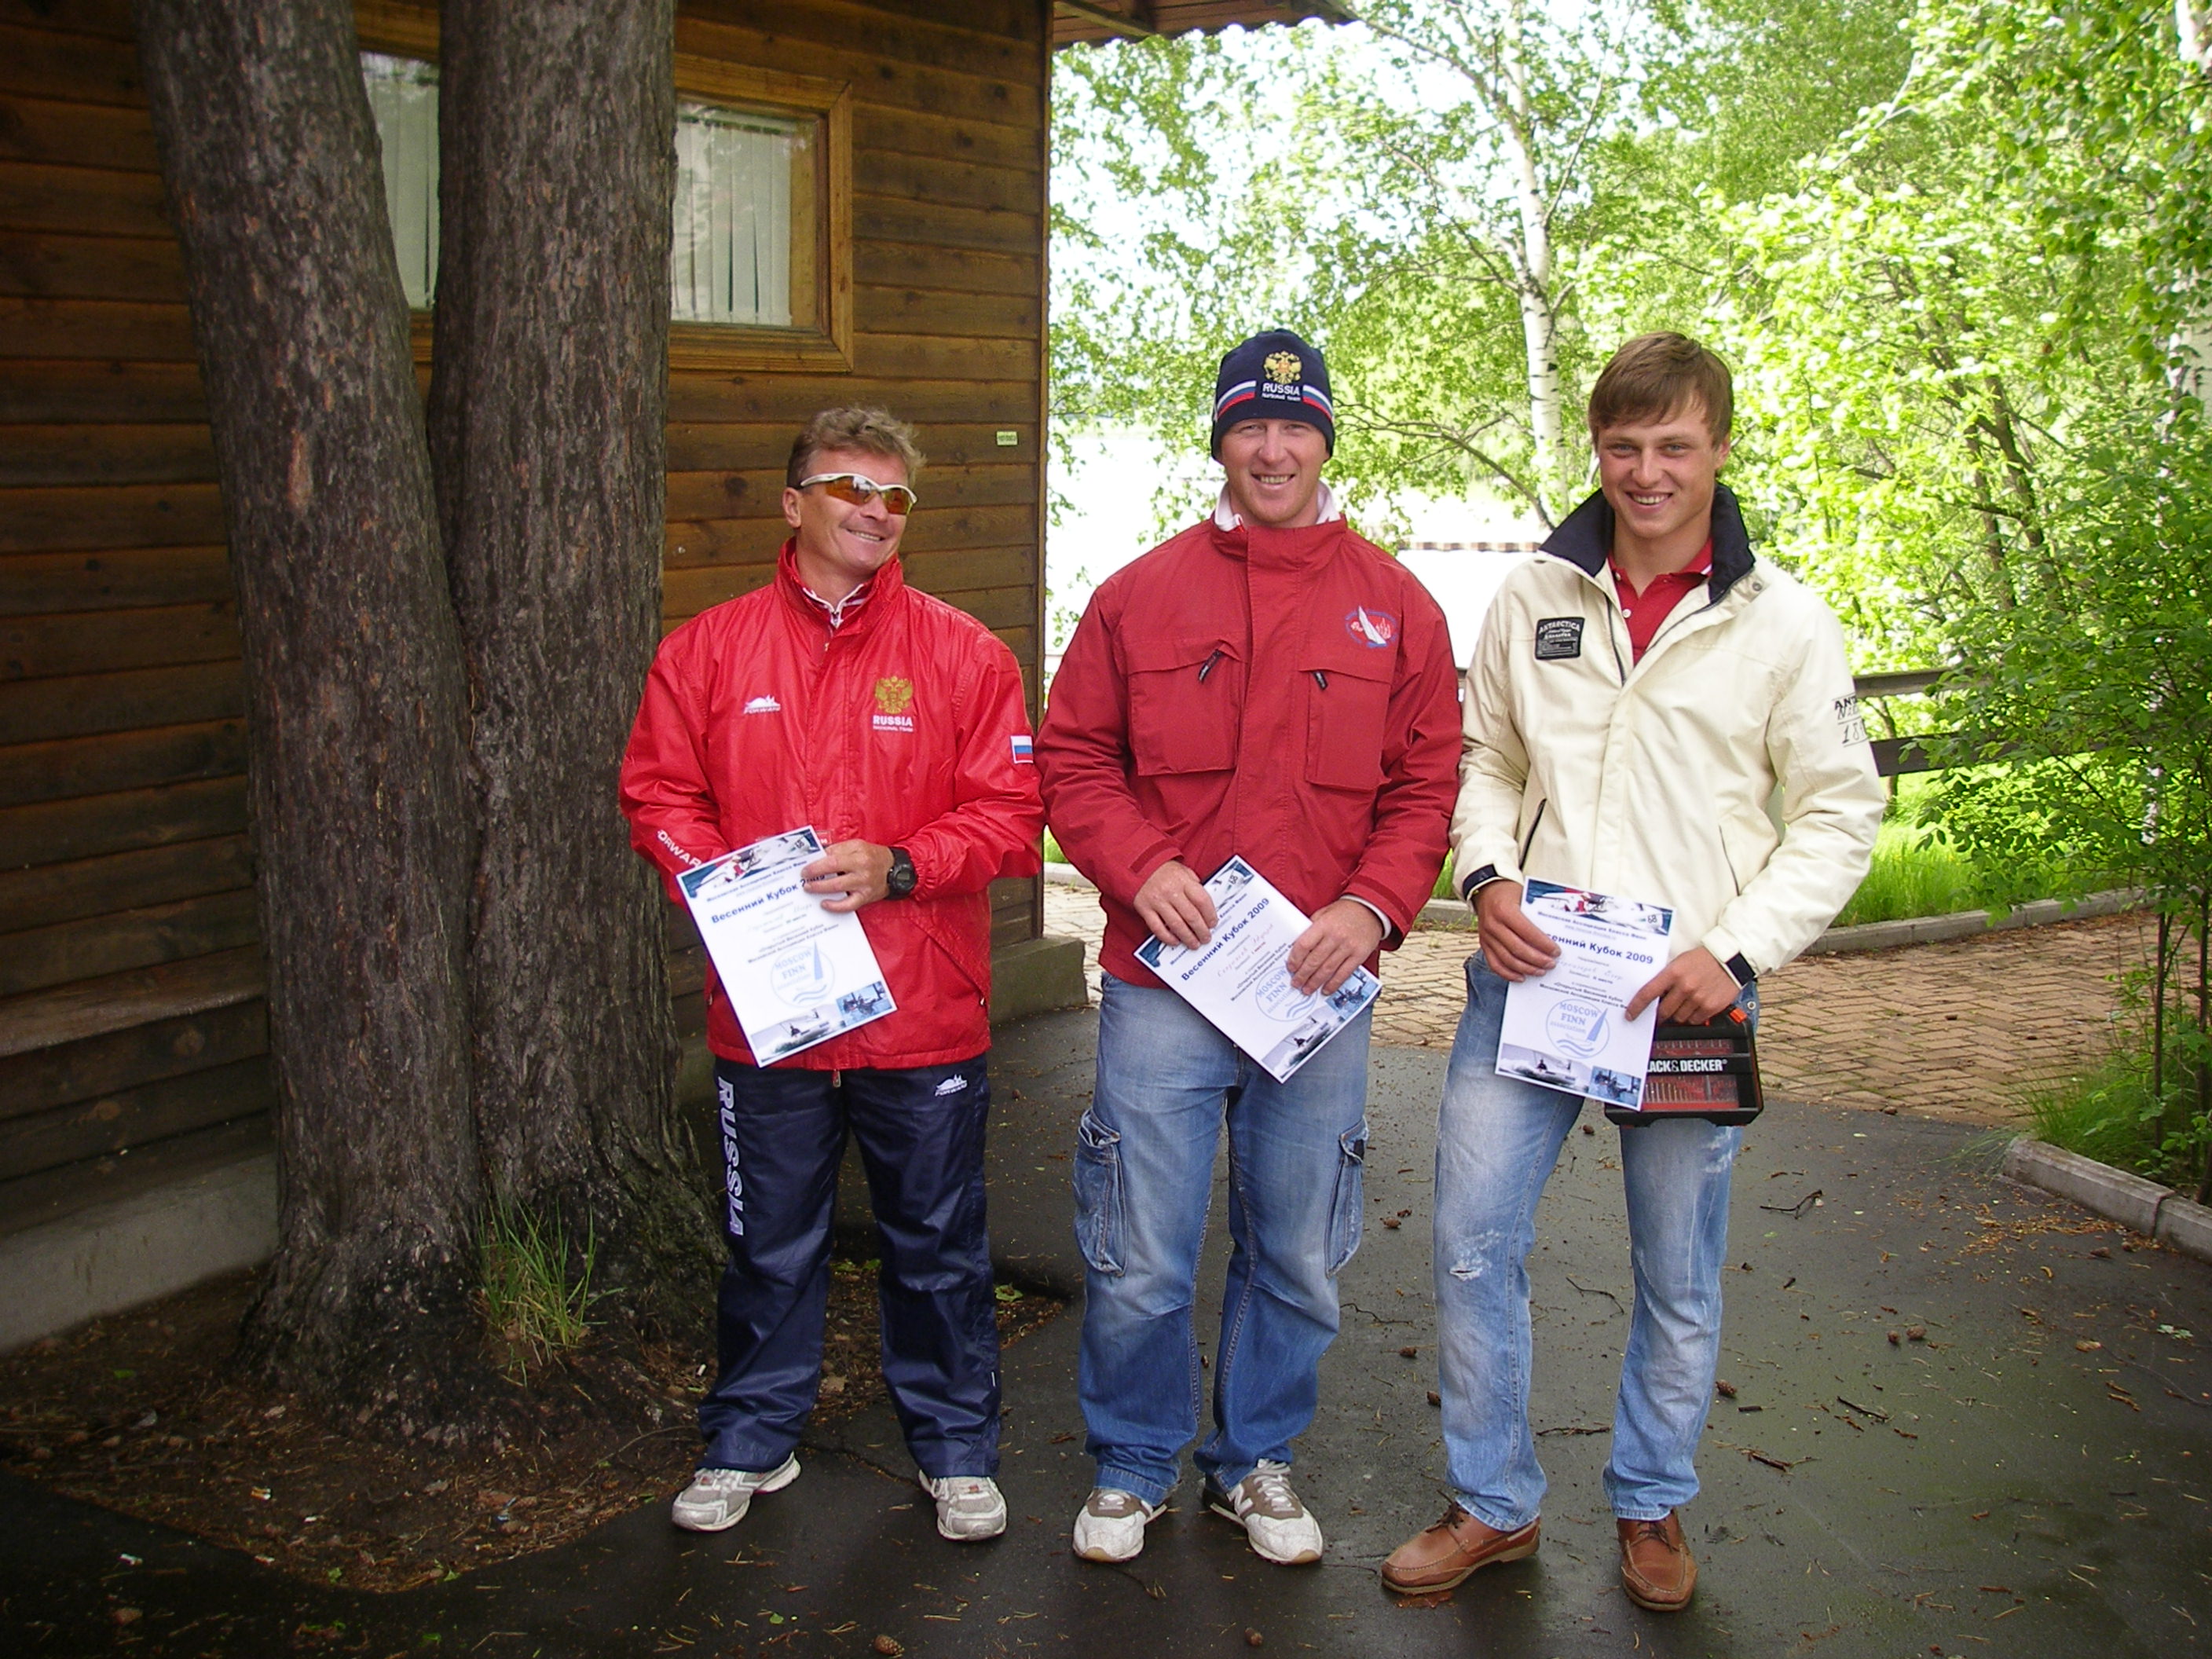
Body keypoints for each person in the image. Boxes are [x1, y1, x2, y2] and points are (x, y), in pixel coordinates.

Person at [1382, 334, 1884, 1611]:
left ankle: (1652, 1501)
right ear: (1596, 451)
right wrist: (1488, 877)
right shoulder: (1535, 594)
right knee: (1471, 1245)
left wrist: (1737, 950)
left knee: (1679, 1270)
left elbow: (1840, 811)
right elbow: (1487, 758)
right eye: (1623, 446)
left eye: (1674, 446)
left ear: (1720, 449)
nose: (1647, 472)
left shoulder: (1782, 622)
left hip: (1687, 996)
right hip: (1535, 977)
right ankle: (1493, 1504)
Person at [1036, 330, 1462, 1566]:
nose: (1273, 450)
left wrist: (1372, 908)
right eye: (1250, 428)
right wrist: (1139, 866)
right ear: (1220, 443)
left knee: (1299, 1251)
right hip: (1166, 981)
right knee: (1139, 1249)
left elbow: (1427, 781)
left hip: (1314, 992)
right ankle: (1131, 1464)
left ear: (1326, 441)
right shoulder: (1139, 594)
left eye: (1296, 428)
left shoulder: (1397, 605)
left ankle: (1254, 1463)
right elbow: (1074, 756)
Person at [619, 407, 1044, 1544]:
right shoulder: (708, 650)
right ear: (793, 501)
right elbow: (657, 795)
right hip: (771, 1009)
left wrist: (902, 864)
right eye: (850, 487)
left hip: (922, 1006)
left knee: (936, 1246)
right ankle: (750, 1439)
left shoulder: (966, 653)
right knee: (769, 1241)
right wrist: (734, 889)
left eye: (895, 495)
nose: (874, 510)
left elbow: (1012, 816)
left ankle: (955, 1451)